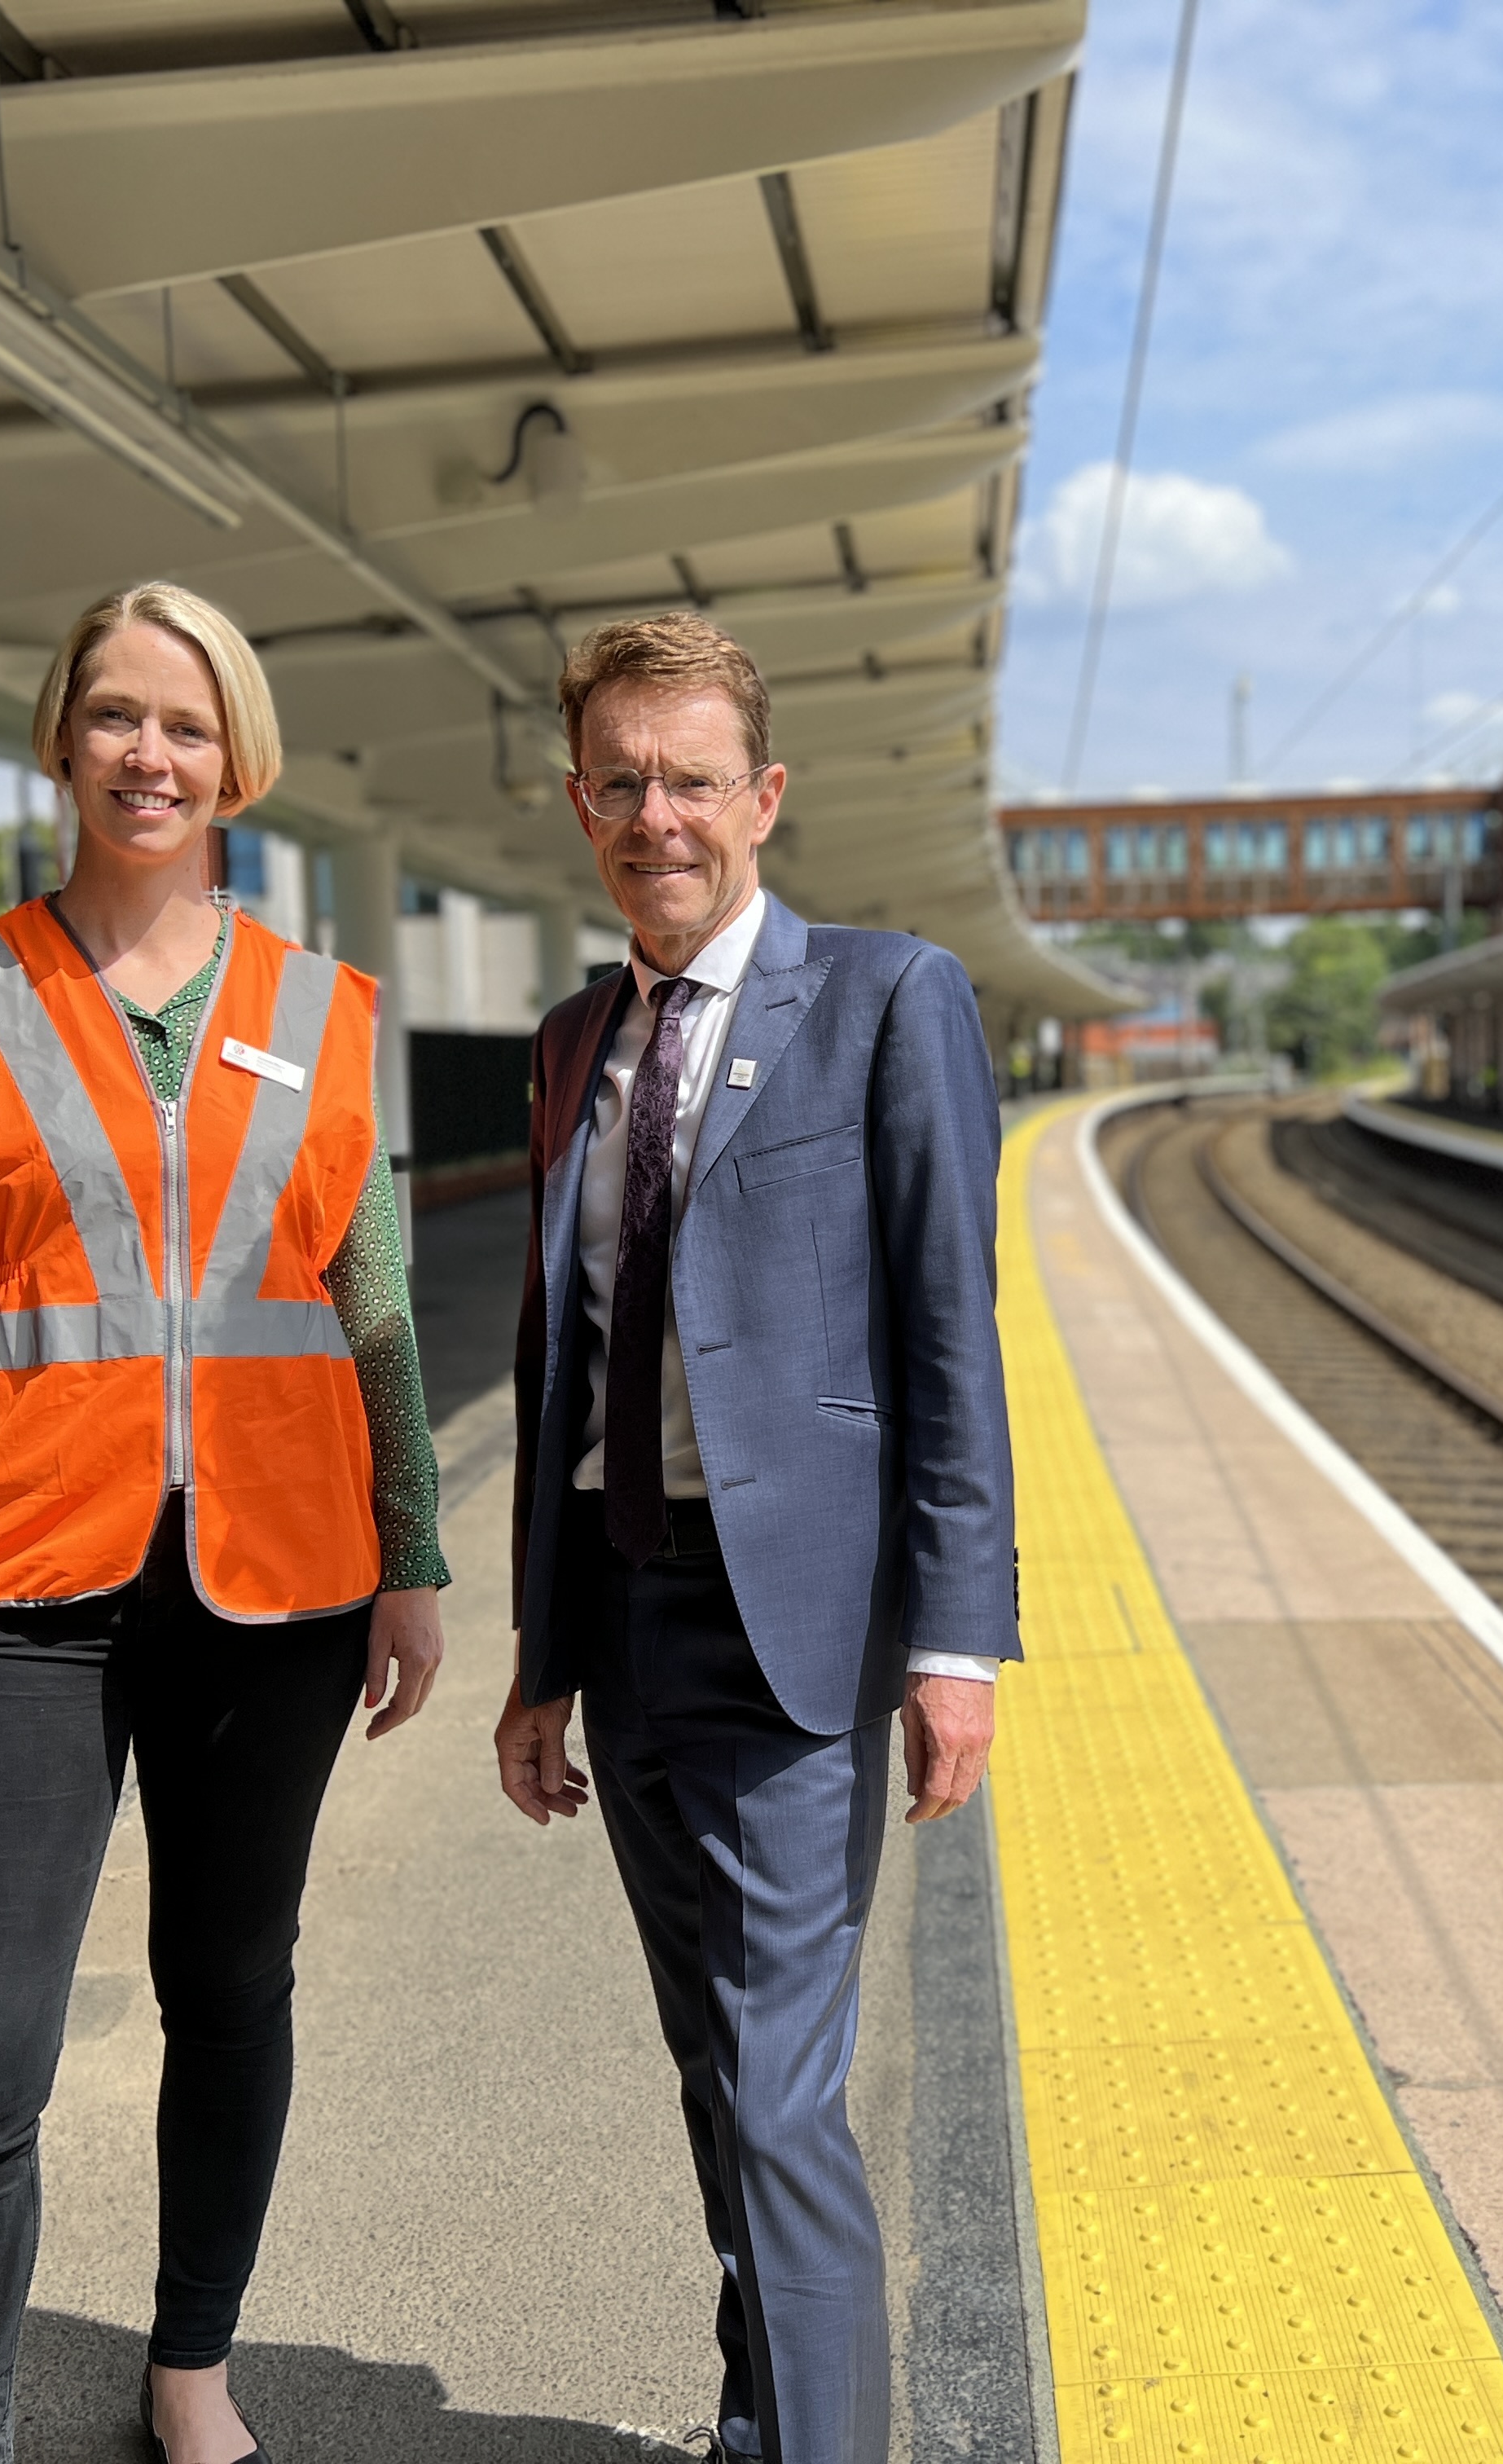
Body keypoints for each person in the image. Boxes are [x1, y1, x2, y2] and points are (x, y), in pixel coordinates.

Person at [0, 581, 450, 2464]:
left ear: (237, 756)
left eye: (186, 724)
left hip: (279, 1586)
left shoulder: (327, 1011)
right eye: (114, 716)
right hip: (14, 1584)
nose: (148, 756)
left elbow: (376, 1301)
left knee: (231, 1986)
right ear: (61, 738)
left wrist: (408, 1557)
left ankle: (191, 2370)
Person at [494, 613, 1014, 2464]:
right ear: (583, 805)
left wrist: (958, 1649)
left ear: (763, 796)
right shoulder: (572, 1043)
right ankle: (760, 2416)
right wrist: (539, 1666)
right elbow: (558, 1363)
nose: (659, 815)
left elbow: (953, 1331)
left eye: (693, 779)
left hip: (794, 1630)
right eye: (623, 782)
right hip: (624, 1622)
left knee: (786, 2099)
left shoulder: (888, 998)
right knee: (717, 2069)